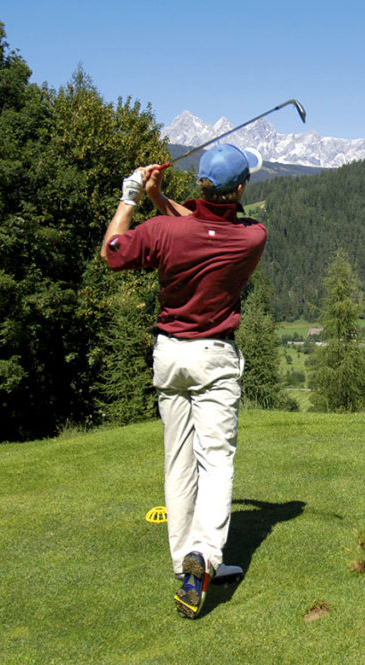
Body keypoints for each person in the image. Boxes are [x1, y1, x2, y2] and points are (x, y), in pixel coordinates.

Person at [99, 144, 267, 619]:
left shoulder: (163, 229)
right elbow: (204, 230)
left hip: (170, 356)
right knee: (215, 462)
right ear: (238, 190)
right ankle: (206, 559)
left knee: (178, 459)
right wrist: (155, 197)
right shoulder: (252, 237)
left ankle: (183, 565)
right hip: (214, 358)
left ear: (200, 185)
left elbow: (113, 252)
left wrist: (133, 197)